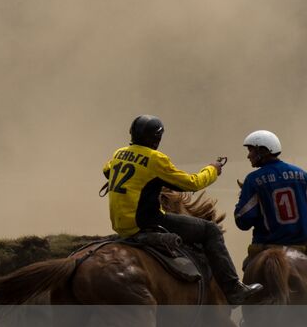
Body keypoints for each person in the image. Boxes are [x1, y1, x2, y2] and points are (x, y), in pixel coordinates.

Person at [102, 114, 262, 305]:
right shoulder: (156, 159)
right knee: (211, 230)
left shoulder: (118, 153)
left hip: (120, 226)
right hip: (147, 223)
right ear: (157, 138)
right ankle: (233, 288)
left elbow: (107, 170)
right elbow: (192, 183)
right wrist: (213, 169)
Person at [235, 129, 307, 316]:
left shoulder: (253, 180)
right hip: (304, 243)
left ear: (263, 151)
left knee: (249, 266)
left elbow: (243, 220)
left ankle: (248, 319)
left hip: (266, 246)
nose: (248, 155)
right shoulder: (300, 174)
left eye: (251, 150)